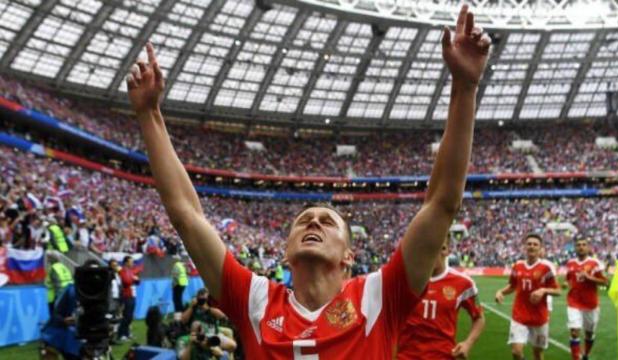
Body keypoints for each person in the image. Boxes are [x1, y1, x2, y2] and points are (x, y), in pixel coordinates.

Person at [126, 4, 490, 357]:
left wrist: (465, 87)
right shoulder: (255, 300)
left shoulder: (379, 296)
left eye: (327, 222)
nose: (314, 221)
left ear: (349, 257)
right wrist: (149, 114)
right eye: (303, 221)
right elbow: (188, 217)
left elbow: (441, 203)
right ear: (286, 253)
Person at [396, 236, 485, 359]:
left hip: (443, 356)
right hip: (406, 356)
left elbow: (479, 318)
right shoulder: (404, 279)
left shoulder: (463, 283)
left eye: (440, 247)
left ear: (447, 250)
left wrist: (468, 344)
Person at [495, 233, 561, 360]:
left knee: (537, 354)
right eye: (529, 244)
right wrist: (501, 292)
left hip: (539, 317)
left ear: (540, 248)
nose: (532, 246)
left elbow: (558, 291)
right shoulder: (518, 266)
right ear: (524, 247)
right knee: (516, 352)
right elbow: (512, 286)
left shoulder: (546, 268)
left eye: (535, 244)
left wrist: (543, 290)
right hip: (519, 315)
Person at [564, 238, 608, 360]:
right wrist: (566, 284)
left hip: (591, 304)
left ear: (588, 248)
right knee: (574, 332)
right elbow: (568, 279)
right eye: (578, 245)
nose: (581, 247)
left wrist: (589, 277)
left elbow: (605, 282)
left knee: (589, 334)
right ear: (575, 248)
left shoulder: (595, 263)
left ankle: (586, 354)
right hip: (574, 302)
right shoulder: (570, 263)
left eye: (584, 245)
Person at [117, 255, 139, 341]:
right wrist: (133, 279)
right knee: (126, 316)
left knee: (130, 316)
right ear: (126, 262)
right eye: (131, 262)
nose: (132, 263)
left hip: (132, 295)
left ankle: (126, 333)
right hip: (127, 296)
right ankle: (121, 334)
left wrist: (134, 279)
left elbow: (137, 281)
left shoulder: (130, 271)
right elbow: (126, 281)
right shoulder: (123, 271)